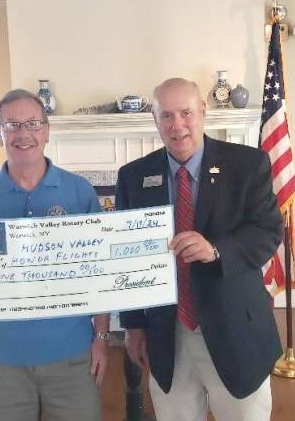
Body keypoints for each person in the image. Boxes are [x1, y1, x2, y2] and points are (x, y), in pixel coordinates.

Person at [116, 78, 283, 421]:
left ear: (203, 112)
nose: (177, 125)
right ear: (155, 119)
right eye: (166, 116)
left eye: (186, 113)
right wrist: (133, 327)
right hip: (167, 335)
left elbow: (268, 231)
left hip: (235, 327)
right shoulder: (133, 176)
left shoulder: (247, 164)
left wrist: (217, 250)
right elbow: (126, 258)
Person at [0, 88, 109, 421]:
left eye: (32, 123)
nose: (23, 133)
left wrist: (102, 338)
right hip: (4, 361)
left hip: (73, 356)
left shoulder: (79, 192)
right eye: (12, 125)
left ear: (46, 130)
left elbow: (100, 273)